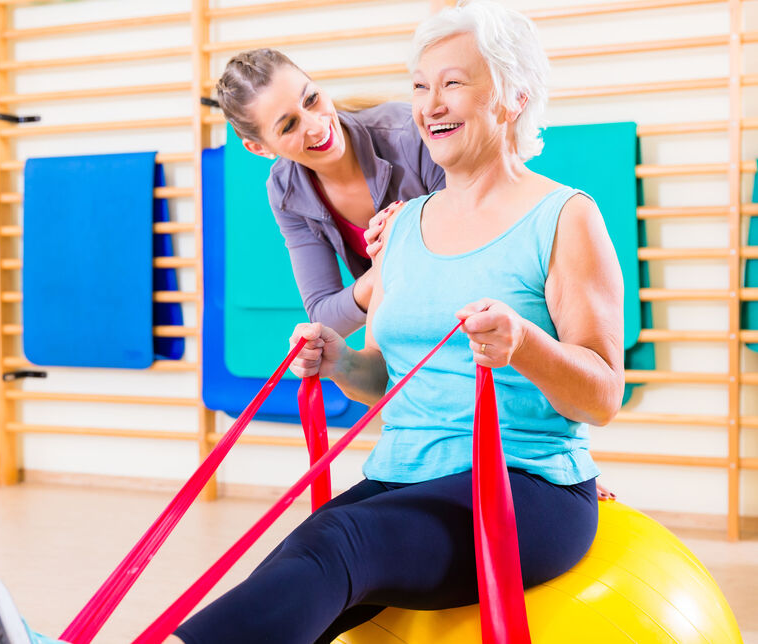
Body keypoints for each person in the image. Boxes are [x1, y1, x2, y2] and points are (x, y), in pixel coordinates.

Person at [170, 2, 624, 642]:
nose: (430, 104)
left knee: (338, 541)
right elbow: (384, 380)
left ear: (513, 97)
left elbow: (603, 397)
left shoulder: (566, 217)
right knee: (294, 565)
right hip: (405, 474)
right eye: (420, 87)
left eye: (453, 84)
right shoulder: (401, 228)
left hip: (525, 486)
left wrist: (524, 344)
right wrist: (337, 361)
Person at [215, 48, 445, 337]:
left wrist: (390, 261)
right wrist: (387, 265)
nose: (316, 125)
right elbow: (324, 314)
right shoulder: (286, 191)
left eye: (311, 99)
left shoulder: (410, 136)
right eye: (289, 125)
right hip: (408, 333)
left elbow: (469, 251)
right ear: (260, 149)